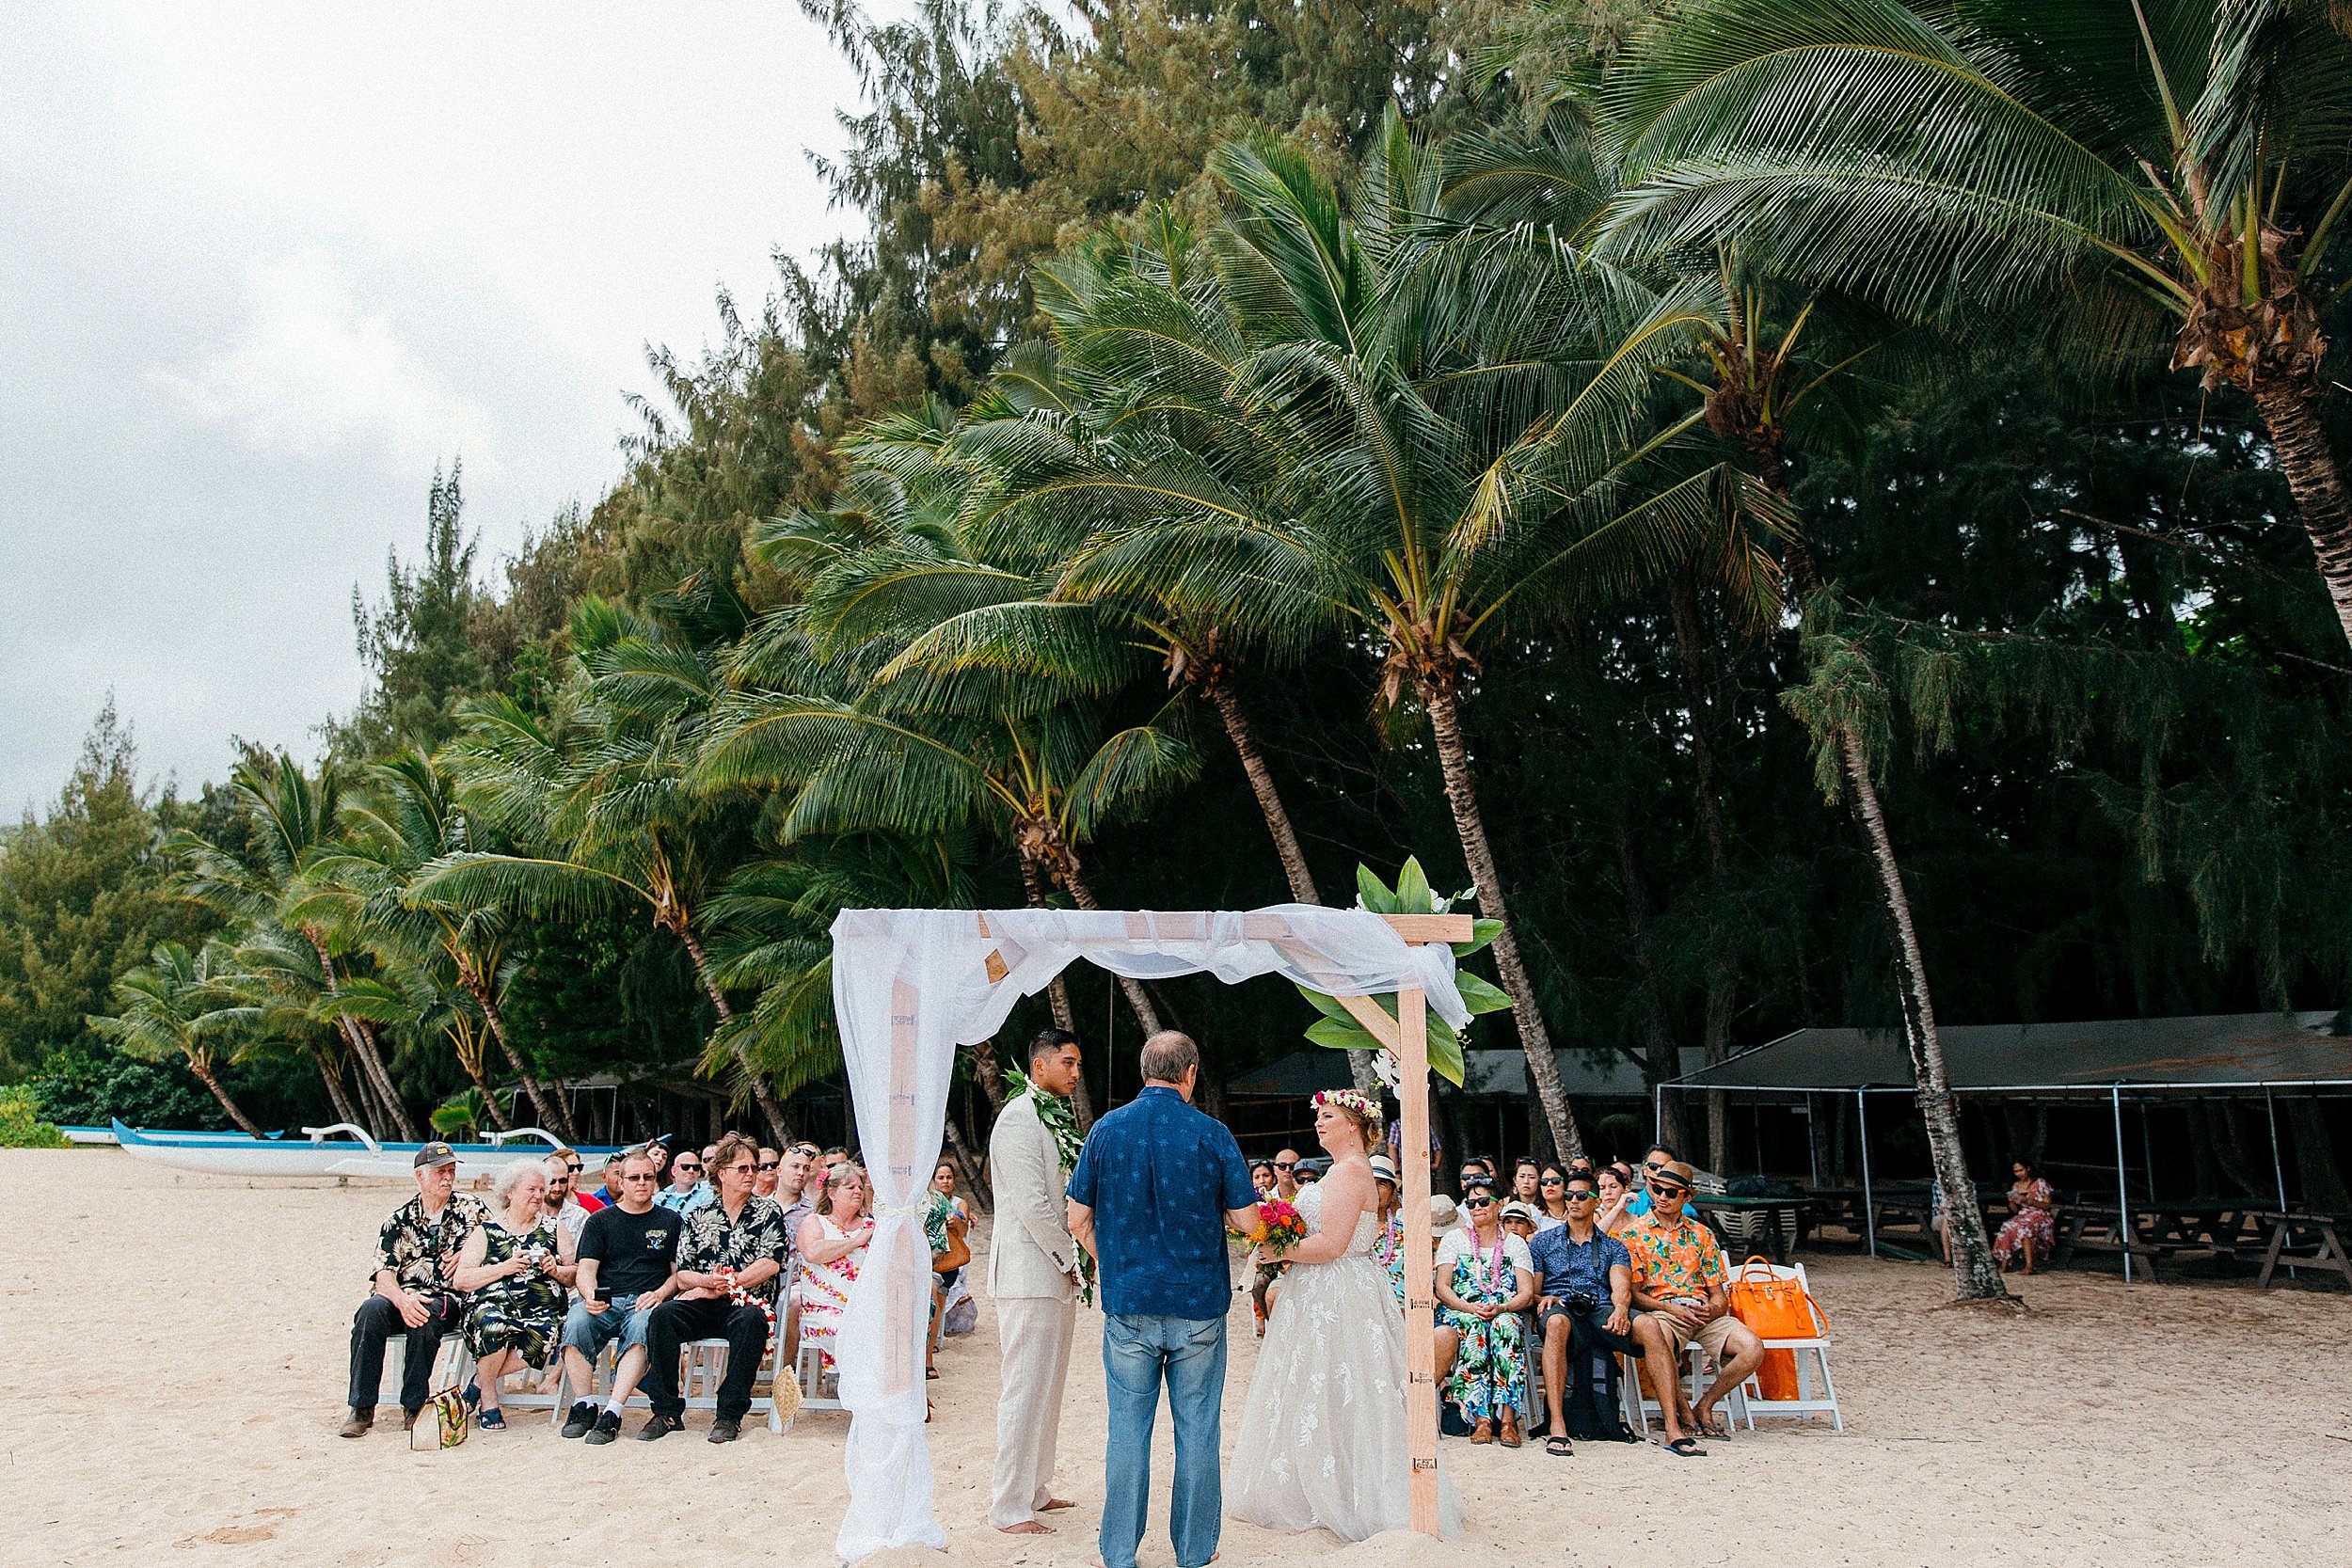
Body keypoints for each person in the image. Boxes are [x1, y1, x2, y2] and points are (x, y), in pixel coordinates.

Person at [1231, 1088, 1463, 1539]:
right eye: (1318, 1117)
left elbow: (1332, 1245)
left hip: (1336, 1289)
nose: (1318, 1123)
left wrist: (1275, 1250)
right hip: (1324, 1288)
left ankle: (1346, 1492)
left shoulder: (1349, 1174)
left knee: (1345, 1384)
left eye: (1328, 1116)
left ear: (1353, 1125)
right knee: (1323, 1387)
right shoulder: (1340, 1172)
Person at [1066, 1031, 1260, 1568]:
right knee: (1198, 1428)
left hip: (1129, 1303)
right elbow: (1247, 1221)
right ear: (1190, 1072)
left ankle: (1120, 1553)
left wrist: (1113, 1261)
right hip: (1198, 1302)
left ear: (1144, 1069)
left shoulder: (1106, 1130)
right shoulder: (1211, 1133)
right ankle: (1194, 1552)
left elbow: (1076, 1216)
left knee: (1127, 1429)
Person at [988, 1028, 1086, 1536]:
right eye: (1067, 1063)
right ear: (1040, 1064)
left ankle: (1036, 1486)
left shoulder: (1051, 1116)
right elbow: (1033, 1205)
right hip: (1029, 1271)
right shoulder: (1018, 1119)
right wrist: (1072, 1255)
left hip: (1053, 1272)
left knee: (1049, 1385)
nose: (1075, 1073)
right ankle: (1008, 1505)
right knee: (1024, 1387)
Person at [640, 1132, 788, 1443]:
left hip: (748, 1301)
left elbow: (771, 1263)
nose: (751, 1174)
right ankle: (666, 1411)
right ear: (722, 1173)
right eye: (743, 1168)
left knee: (750, 1322)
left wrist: (727, 1285)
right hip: (703, 1298)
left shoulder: (767, 1211)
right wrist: (707, 1283)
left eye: (755, 1168)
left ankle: (729, 1415)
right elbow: (683, 1274)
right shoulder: (696, 1216)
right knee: (663, 1317)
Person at [340, 1142, 485, 1437]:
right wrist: (403, 1299)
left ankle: (414, 1406)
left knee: (426, 1314)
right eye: (440, 1171)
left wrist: (470, 1254)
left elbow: (498, 1243)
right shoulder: (398, 1220)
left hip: (448, 1297)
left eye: (452, 1171)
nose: (448, 1177)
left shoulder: (471, 1209)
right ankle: (361, 1408)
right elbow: (383, 1275)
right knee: (370, 1311)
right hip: (403, 1294)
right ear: (420, 1176)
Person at [1623, 1160, 1761, 1457]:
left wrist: (1713, 1309)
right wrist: (1672, 1310)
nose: (1662, 1196)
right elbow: (1634, 1296)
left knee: (1753, 1348)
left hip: (1702, 1311)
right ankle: (1685, 1413)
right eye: (1657, 1189)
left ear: (1686, 1197)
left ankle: (1705, 1405)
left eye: (1671, 1193)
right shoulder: (1634, 1234)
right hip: (1663, 1310)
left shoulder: (1702, 1234)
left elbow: (1719, 1295)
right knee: (1658, 1339)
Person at [558, 1148, 684, 1443]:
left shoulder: (671, 1221)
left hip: (647, 1298)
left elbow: (678, 1273)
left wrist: (660, 1293)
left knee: (643, 1328)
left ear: (655, 1181)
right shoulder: (600, 1221)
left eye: (648, 1177)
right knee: (576, 1320)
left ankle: (613, 1411)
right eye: (634, 1177)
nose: (642, 1182)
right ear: (621, 1181)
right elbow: (586, 1269)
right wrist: (589, 1295)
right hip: (606, 1299)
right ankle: (584, 1404)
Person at [452, 1158, 571, 1430]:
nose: (538, 1195)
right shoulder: (487, 1231)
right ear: (510, 1192)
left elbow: (575, 1272)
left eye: (542, 1190)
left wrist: (556, 1270)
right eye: (531, 1189)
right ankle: (490, 1399)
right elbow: (461, 1279)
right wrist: (504, 1268)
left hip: (543, 1310)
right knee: (493, 1326)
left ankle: (480, 1383)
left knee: (547, 1333)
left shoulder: (554, 1228)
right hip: (492, 1305)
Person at [1528, 1171, 1636, 1455]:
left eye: (1581, 1196)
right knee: (1557, 1322)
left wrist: (1622, 1308)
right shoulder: (1542, 1242)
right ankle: (1557, 1426)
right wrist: (1543, 1297)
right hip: (1558, 1308)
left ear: (1596, 1201)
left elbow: (1621, 1286)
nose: (1573, 1201)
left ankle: (1675, 1426)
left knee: (1650, 1326)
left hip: (1601, 1309)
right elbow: (1532, 1293)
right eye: (1569, 1196)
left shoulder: (1613, 1246)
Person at [1434, 1180, 1536, 1446]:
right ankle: (1481, 1419)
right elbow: (1442, 1287)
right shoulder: (1454, 1239)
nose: (1477, 1207)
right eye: (1471, 1203)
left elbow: (1526, 1292)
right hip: (1463, 1309)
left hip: (1504, 1308)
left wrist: (1502, 1307)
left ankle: (1508, 1419)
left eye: (1483, 1201)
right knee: (1474, 1328)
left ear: (1499, 1204)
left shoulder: (1514, 1243)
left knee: (1506, 1326)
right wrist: (1469, 1307)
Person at [795, 1158, 875, 1380]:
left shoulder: (871, 1225)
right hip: (823, 1310)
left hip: (865, 1308)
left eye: (860, 1187)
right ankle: (863, 1395)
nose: (858, 1191)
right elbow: (813, 1252)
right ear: (832, 1193)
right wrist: (856, 1241)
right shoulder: (815, 1222)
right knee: (849, 1331)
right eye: (850, 1187)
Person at [1993, 1160, 2058, 1274]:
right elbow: (2016, 1211)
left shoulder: (2040, 1183)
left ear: (2028, 1169)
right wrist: (2011, 1202)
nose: (2018, 1173)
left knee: (2025, 1228)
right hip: (2023, 1214)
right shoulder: (2016, 1186)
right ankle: (2005, 1264)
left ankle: (2030, 1266)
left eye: (2021, 1170)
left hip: (2040, 1214)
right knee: (2007, 1226)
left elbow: (2047, 1205)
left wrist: (2029, 1201)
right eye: (2016, 1171)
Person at [1370, 1153, 1407, 1310]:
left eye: (1382, 1184)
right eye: (1370, 1182)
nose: (1374, 1189)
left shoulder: (1406, 1231)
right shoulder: (1346, 1229)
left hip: (1401, 1309)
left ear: (1393, 1192)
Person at [544, 1155, 594, 1250]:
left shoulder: (580, 1216)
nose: (557, 1188)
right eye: (552, 1181)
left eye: (562, 1181)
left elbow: (581, 1259)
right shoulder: (528, 1213)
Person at [656, 1148, 712, 1214]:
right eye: (685, 1166)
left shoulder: (707, 1195)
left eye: (696, 1168)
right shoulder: (660, 1197)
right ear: (674, 1171)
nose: (691, 1171)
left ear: (699, 1172)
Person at [1597, 1164, 1636, 1236]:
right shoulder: (1593, 1219)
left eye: (1613, 1187)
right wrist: (1617, 1208)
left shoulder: (1638, 1220)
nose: (1608, 1192)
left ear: (1625, 1188)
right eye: (1602, 1188)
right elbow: (1595, 1238)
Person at [1535, 1164, 1572, 1228]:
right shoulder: (1533, 1213)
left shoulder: (1576, 1211)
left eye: (1555, 1180)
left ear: (1566, 1184)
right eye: (1544, 1181)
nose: (1549, 1184)